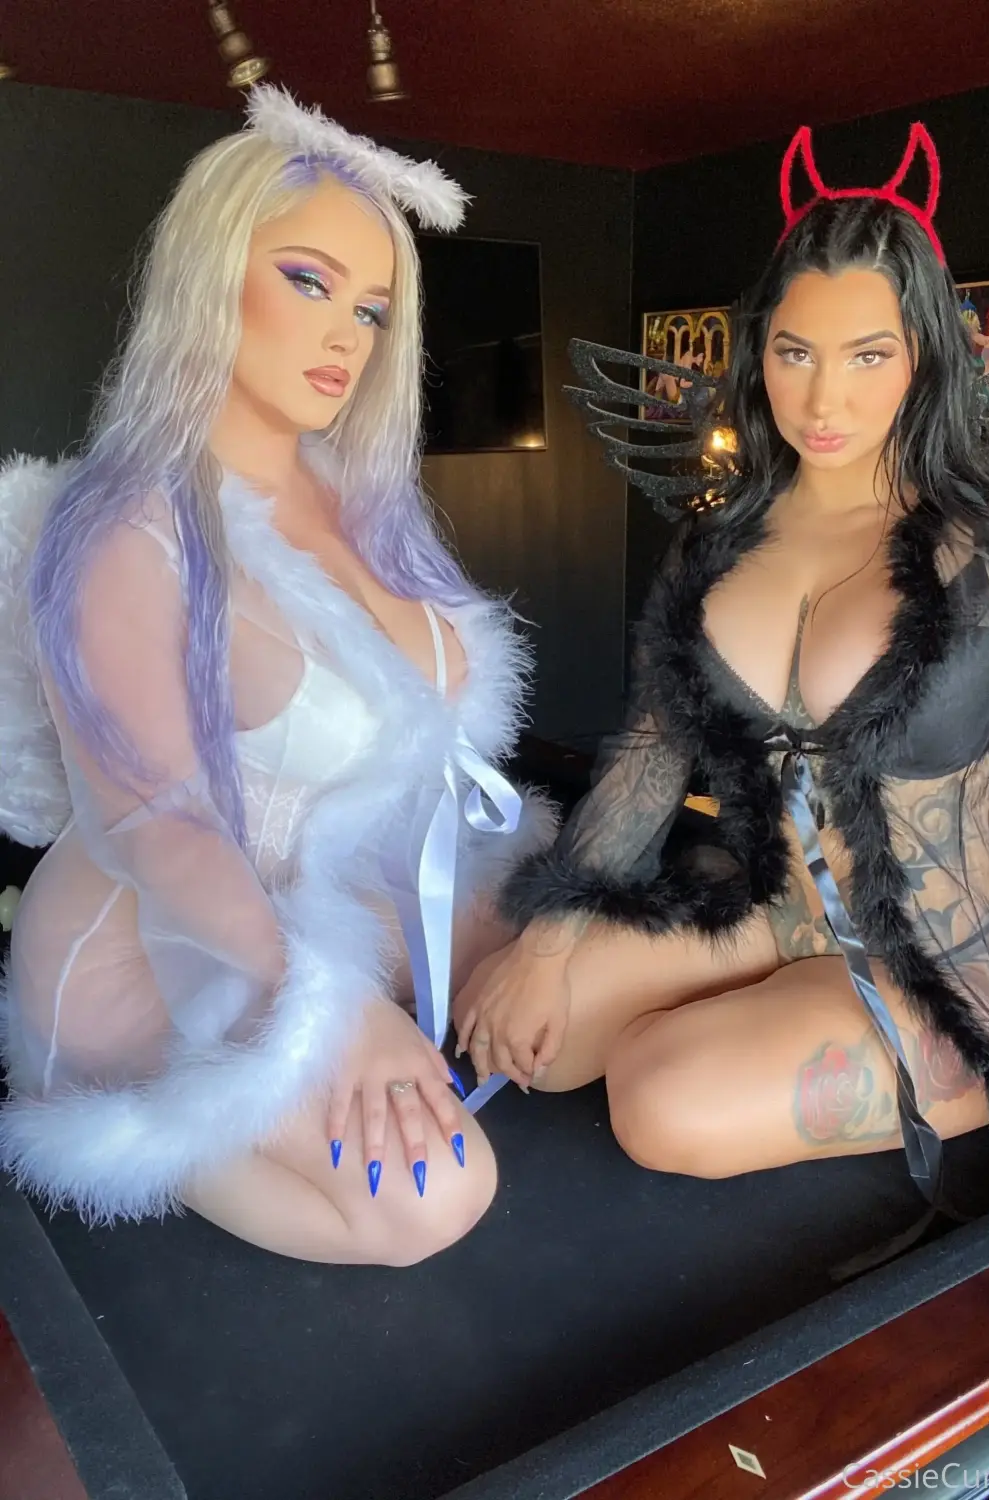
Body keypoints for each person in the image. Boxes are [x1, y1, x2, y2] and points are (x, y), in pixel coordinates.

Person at [456, 123, 989, 1221]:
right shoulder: (716, 540)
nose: (823, 401)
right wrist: (552, 935)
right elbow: (651, 752)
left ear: (923, 355)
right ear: (757, 349)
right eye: (795, 352)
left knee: (658, 1097)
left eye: (868, 355)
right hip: (774, 909)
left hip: (959, 963)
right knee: (536, 1013)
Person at [0, 87, 553, 1265]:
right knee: (433, 1195)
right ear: (212, 277)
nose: (348, 336)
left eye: (372, 309)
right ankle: (118, 1101)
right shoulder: (127, 529)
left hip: (328, 897)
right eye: (308, 281)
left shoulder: (365, 504)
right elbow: (153, 823)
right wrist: (333, 1010)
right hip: (159, 942)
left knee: (564, 986)